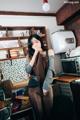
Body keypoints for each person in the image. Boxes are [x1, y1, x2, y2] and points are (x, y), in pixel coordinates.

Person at [25, 34, 55, 120]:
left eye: (37, 41)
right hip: (34, 88)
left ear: (40, 42)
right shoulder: (29, 56)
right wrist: (36, 52)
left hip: (46, 86)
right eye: (33, 43)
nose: (36, 44)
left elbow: (51, 69)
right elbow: (28, 70)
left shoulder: (49, 52)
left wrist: (45, 86)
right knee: (39, 115)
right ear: (31, 46)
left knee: (49, 114)